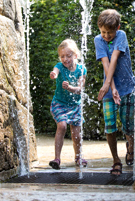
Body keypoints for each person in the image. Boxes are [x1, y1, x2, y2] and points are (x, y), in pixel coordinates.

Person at [94, 9, 135, 176]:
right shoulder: (98, 40)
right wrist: (110, 88)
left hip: (127, 88)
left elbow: (114, 59)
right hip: (109, 90)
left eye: (110, 32)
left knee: (129, 125)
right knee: (110, 126)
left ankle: (131, 148)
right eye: (103, 32)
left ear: (117, 28)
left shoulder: (121, 36)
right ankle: (115, 160)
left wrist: (108, 85)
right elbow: (105, 64)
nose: (106, 35)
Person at [49, 39, 88, 170]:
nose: (65, 59)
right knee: (62, 126)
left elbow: (80, 89)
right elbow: (56, 70)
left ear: (75, 56)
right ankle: (57, 159)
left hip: (74, 106)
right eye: (62, 56)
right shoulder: (60, 66)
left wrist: (71, 88)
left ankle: (78, 156)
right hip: (59, 104)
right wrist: (54, 74)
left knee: (76, 133)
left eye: (68, 56)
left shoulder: (82, 69)